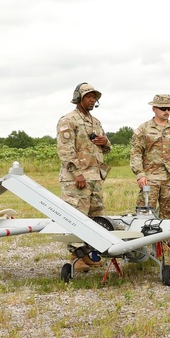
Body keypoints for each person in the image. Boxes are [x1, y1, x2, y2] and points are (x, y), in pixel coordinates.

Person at [57, 82, 111, 270]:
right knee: (76, 216)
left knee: (95, 216)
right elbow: (65, 150)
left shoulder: (95, 122)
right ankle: (76, 256)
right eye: (89, 96)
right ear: (79, 98)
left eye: (94, 97)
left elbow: (106, 147)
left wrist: (105, 142)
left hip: (95, 177)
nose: (92, 100)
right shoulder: (68, 120)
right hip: (76, 178)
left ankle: (89, 254)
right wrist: (77, 174)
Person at [130, 94, 170, 219]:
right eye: (163, 109)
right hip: (150, 178)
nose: (167, 111)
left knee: (168, 217)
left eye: (169, 109)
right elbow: (136, 153)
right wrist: (140, 174)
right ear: (154, 109)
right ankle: (147, 239)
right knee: (145, 215)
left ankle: (164, 240)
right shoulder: (144, 129)